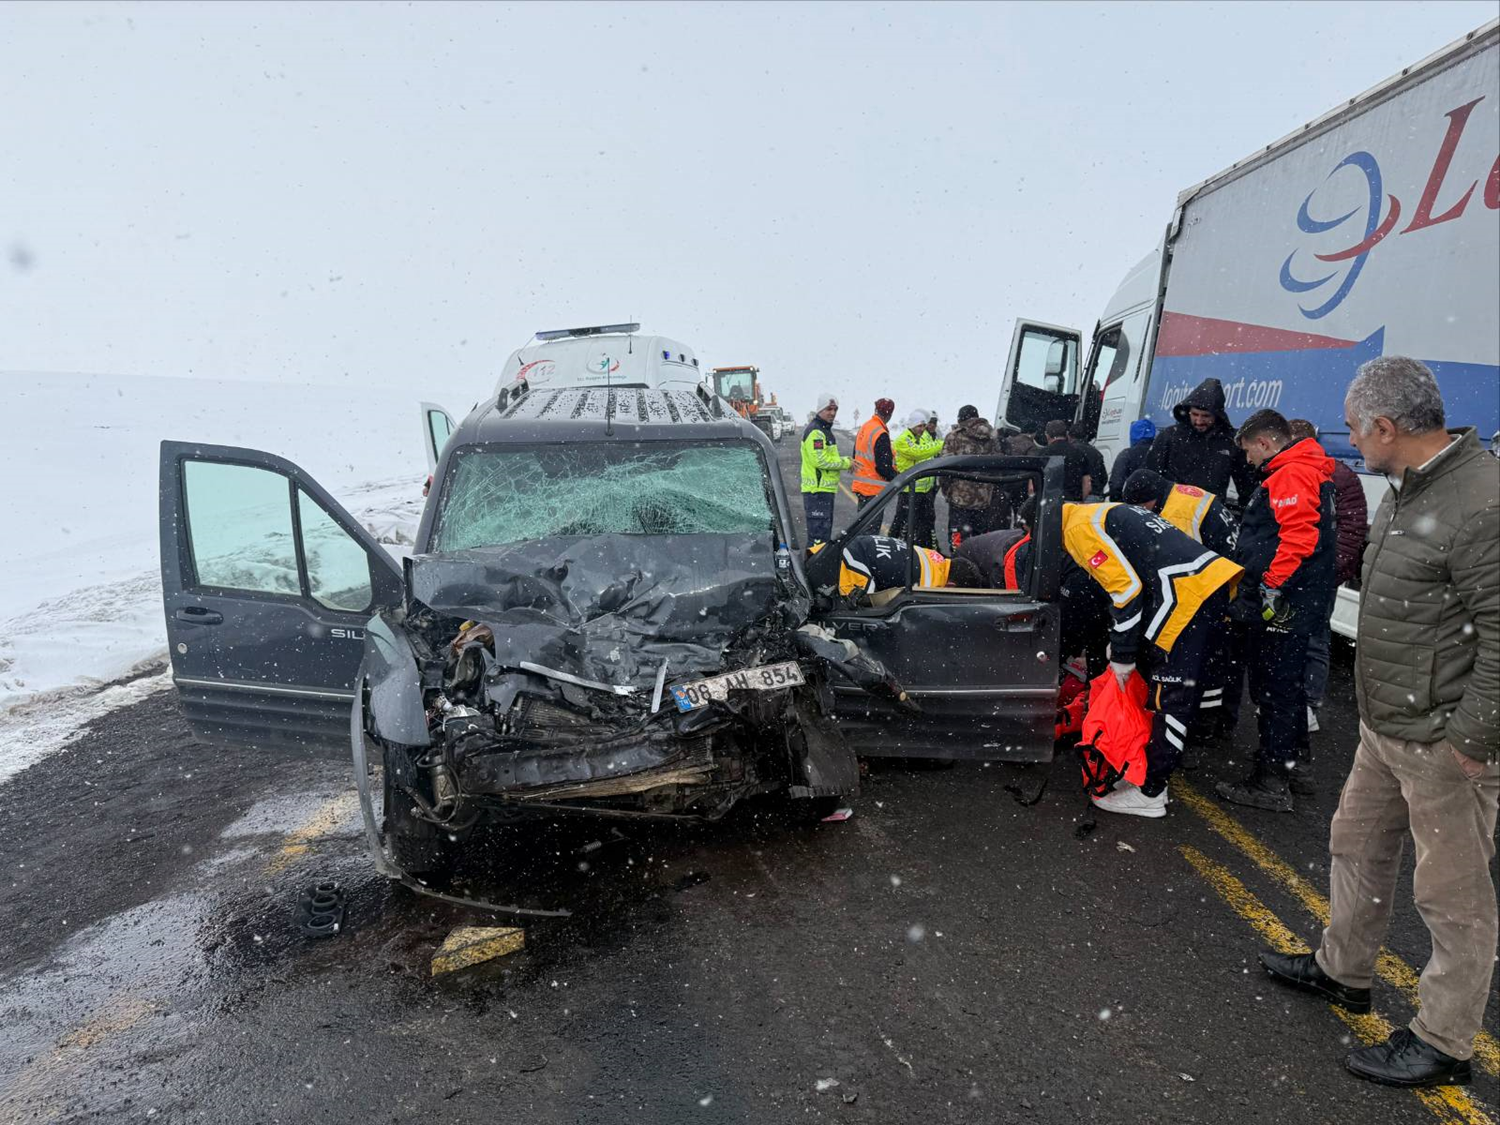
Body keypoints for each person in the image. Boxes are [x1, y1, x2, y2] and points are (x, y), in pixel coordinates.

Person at [1258, 357, 1498, 1089]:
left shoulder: (1480, 502)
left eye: (1358, 428)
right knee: (1355, 845)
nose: (1352, 441)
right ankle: (1344, 970)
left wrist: (1470, 740)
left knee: (1452, 896)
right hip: (1386, 725)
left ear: (1387, 427)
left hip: (1444, 743)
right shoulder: (1408, 487)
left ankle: (1445, 1038)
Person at [1063, 500, 1243, 816]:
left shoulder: (1075, 529)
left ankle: (1152, 792)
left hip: (1186, 595)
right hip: (1207, 583)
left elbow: (1126, 590)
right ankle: (1149, 775)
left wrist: (1121, 653)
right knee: (1176, 691)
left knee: (1169, 697)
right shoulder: (1098, 511)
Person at [1215, 410, 1335, 812]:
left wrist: (1269, 586)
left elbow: (1298, 538)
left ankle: (1271, 781)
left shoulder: (1291, 475)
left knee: (1275, 690)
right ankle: (1294, 765)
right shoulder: (1308, 469)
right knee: (1289, 687)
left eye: (1249, 452)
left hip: (1284, 604)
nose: (1247, 460)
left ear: (1264, 443)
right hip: (1302, 600)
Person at [1287, 419, 1366, 733]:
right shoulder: (1290, 473)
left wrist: (1329, 569)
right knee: (1293, 640)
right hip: (1293, 573)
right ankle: (1292, 703)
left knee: (1313, 640)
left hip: (1315, 576)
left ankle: (1307, 706)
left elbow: (1352, 530)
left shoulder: (1339, 477)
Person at [1146, 378, 1258, 504]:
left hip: (1209, 514)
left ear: (1217, 415)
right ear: (1188, 412)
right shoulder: (1170, 436)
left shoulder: (1230, 441)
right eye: (1195, 414)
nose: (1199, 421)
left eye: (1205, 416)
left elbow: (1246, 485)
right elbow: (1148, 476)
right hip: (1170, 511)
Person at [1121, 468, 1238, 555]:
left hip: (1227, 569)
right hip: (1236, 549)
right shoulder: (1178, 492)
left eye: (1139, 508)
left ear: (1147, 502)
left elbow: (1187, 561)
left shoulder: (1176, 515)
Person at [940, 405, 999, 547]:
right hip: (984, 498)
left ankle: (959, 565)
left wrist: (947, 491)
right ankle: (980, 566)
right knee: (981, 540)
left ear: (960, 419)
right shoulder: (992, 436)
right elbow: (998, 465)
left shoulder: (954, 436)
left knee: (958, 539)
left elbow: (945, 468)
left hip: (960, 498)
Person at [800, 393, 852, 545]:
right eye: (829, 409)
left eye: (835, 409)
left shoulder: (824, 430)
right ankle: (813, 567)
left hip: (824, 492)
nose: (833, 413)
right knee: (818, 538)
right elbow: (820, 460)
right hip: (817, 493)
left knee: (822, 537)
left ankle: (818, 566)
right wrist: (845, 463)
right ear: (820, 409)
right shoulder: (816, 432)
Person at [834, 533, 950, 600]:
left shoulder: (931, 555)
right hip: (852, 565)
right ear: (952, 584)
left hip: (849, 545)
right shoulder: (931, 583)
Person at [890, 408, 942, 548]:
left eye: (923, 426)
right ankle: (894, 547)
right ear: (912, 425)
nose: (922, 429)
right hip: (909, 489)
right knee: (903, 523)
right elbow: (918, 453)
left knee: (926, 523)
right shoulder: (903, 439)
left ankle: (925, 549)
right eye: (920, 426)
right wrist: (942, 444)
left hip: (924, 490)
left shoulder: (922, 437)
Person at [851, 398, 897, 509]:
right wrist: (897, 478)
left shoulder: (865, 427)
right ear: (889, 415)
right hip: (873, 490)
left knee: (862, 523)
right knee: (872, 525)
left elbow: (855, 454)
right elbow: (883, 467)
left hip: (861, 486)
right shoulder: (881, 433)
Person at [1107, 418, 1157, 501]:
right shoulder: (1159, 453)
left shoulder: (1127, 454)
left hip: (1132, 504)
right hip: (1155, 506)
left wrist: (1117, 502)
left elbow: (1116, 484)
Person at [1043, 419, 1092, 501]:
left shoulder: (1042, 454)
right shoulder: (1079, 453)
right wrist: (1078, 500)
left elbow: (1032, 487)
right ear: (1066, 434)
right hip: (1072, 501)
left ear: (1047, 435)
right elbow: (1087, 483)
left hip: (1048, 502)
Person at [1069, 421, 1107, 498]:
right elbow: (1104, 478)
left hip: (1075, 496)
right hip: (1095, 495)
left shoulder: (1069, 451)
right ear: (1086, 436)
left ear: (1069, 436)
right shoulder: (1096, 453)